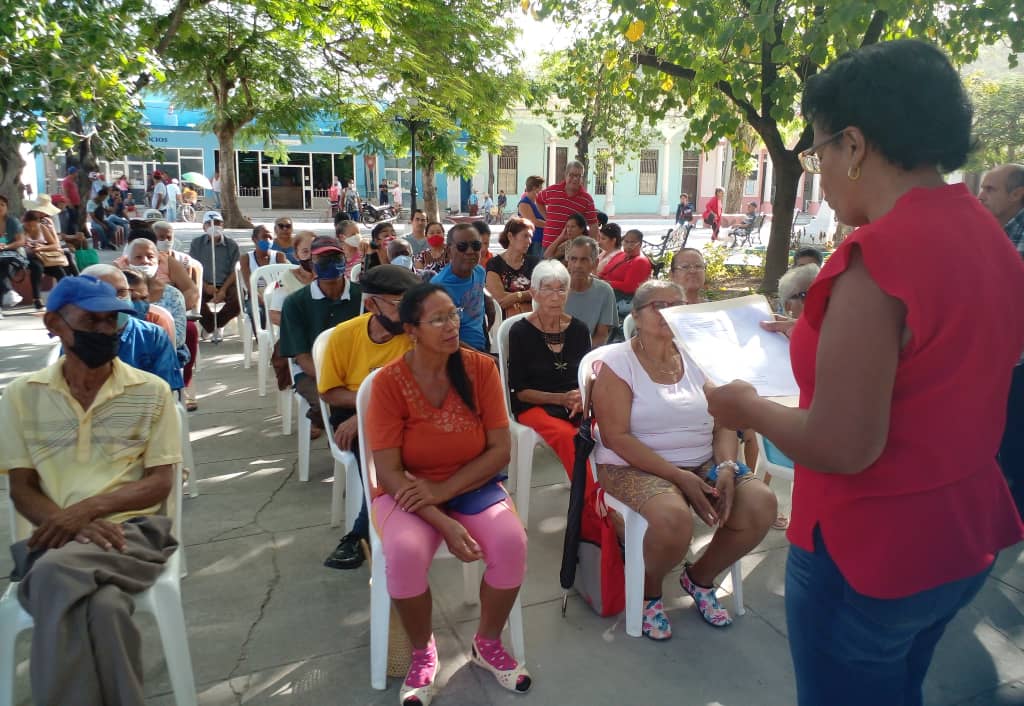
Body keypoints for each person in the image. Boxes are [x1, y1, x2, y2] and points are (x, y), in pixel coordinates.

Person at [703, 40, 1024, 706]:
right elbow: (956, 351)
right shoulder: (987, 229)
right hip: (963, 531)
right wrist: (831, 338)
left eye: (816, 152)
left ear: (853, 144)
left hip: (872, 549)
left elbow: (843, 446)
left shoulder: (877, 255)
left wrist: (745, 408)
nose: (818, 172)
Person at [0, 275, 180, 706]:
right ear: (55, 324)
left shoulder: (149, 391)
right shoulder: (23, 395)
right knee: (105, 609)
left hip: (133, 533)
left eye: (112, 323)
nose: (105, 332)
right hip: (53, 535)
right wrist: (68, 523)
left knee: (50, 575)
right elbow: (21, 487)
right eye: (91, 322)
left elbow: (160, 481)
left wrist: (88, 510)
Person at [367, 283, 531, 704]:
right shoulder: (389, 384)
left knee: (511, 541)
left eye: (454, 314)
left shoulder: (479, 369)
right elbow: (387, 469)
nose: (451, 325)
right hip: (406, 491)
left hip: (469, 484)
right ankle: (424, 652)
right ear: (412, 330)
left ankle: (487, 644)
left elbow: (499, 450)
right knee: (403, 553)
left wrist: (443, 491)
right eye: (437, 319)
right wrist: (442, 519)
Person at [592, 280, 776, 639]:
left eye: (675, 305)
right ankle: (648, 593)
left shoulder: (697, 356)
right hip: (630, 462)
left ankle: (700, 578)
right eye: (657, 305)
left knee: (761, 503)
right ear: (636, 315)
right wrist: (679, 477)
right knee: (673, 519)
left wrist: (725, 465)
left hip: (702, 458)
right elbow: (616, 437)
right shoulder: (616, 361)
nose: (667, 312)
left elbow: (724, 419)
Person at [319, 265, 423, 570]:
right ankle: (368, 531)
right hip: (351, 413)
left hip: (404, 414)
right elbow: (328, 392)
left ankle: (371, 528)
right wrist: (364, 409)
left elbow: (421, 393)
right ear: (370, 304)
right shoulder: (344, 336)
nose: (407, 313)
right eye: (397, 304)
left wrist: (373, 408)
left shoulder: (414, 338)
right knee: (375, 447)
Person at [509, 259, 591, 480]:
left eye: (561, 289)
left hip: (575, 404)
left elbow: (587, 377)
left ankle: (608, 497)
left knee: (606, 432)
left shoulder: (579, 329)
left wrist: (581, 397)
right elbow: (520, 391)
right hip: (534, 405)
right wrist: (561, 399)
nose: (556, 297)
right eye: (548, 289)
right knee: (569, 437)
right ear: (534, 293)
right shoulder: (519, 332)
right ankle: (591, 508)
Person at [278, 236, 363, 441]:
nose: (330, 263)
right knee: (335, 403)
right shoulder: (295, 303)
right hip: (312, 372)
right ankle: (345, 449)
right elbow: (302, 356)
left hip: (357, 368)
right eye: (322, 259)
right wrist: (335, 379)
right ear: (311, 265)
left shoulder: (361, 297)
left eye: (335, 257)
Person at [978, 162, 1024, 516]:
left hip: (1015, 362)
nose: (981, 195)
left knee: (1013, 442)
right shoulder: (994, 230)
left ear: (1017, 193)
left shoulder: (1018, 237)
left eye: (990, 189)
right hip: (994, 358)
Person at [81, 265, 184, 391]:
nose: (116, 301)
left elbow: (167, 391)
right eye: (106, 293)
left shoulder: (153, 336)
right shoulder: (75, 338)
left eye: (122, 292)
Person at [432, 223, 490, 353]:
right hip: (453, 353)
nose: (470, 251)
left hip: (482, 347)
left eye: (475, 246)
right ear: (448, 250)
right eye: (462, 247)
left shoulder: (480, 272)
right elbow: (440, 336)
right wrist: (481, 357)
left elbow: (480, 308)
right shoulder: (438, 287)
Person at [189, 211, 241, 342]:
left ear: (223, 225)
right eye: (209, 223)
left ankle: (218, 324)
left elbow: (235, 271)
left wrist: (223, 290)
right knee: (193, 299)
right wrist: (205, 286)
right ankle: (211, 326)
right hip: (204, 283)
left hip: (225, 284)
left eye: (217, 223)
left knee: (238, 300)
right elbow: (192, 267)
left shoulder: (232, 245)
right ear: (204, 227)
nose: (214, 226)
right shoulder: (196, 243)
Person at [565, 236, 617, 346]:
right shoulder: (556, 288)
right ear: (568, 262)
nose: (578, 265)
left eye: (584, 260)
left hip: (588, 352)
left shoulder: (605, 291)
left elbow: (602, 335)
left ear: (595, 262)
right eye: (573, 259)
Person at [537, 161, 600, 250]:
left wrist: (591, 248)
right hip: (548, 245)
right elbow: (539, 201)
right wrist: (547, 217)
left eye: (579, 176)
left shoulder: (587, 199)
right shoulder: (552, 191)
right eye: (572, 175)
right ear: (566, 175)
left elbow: (593, 225)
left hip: (571, 248)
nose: (575, 179)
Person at [486, 217, 537, 318]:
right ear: (510, 236)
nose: (529, 241)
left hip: (531, 318)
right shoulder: (495, 264)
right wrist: (527, 295)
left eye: (531, 237)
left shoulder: (534, 263)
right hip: (504, 320)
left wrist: (516, 296)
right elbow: (500, 299)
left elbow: (542, 293)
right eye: (525, 236)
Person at [21, 209, 70, 309]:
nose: (31, 228)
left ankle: (66, 297)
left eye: (33, 225)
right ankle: (37, 298)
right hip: (28, 256)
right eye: (28, 225)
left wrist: (41, 247)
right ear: (24, 223)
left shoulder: (42, 227)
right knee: (37, 268)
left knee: (59, 271)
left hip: (43, 256)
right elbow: (18, 244)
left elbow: (55, 245)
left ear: (38, 223)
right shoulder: (20, 229)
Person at [599, 228, 651, 317]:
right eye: (626, 242)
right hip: (607, 289)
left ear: (640, 244)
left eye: (632, 243)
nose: (628, 246)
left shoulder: (640, 261)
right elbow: (604, 272)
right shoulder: (621, 255)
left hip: (622, 297)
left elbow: (629, 287)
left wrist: (606, 283)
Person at [269, 230, 317, 326]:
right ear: (296, 255)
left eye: (314, 251)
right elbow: (274, 315)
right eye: (305, 251)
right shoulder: (286, 279)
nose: (311, 256)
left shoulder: (327, 276)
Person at [518, 176, 547, 258]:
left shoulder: (537, 203)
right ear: (535, 188)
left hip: (542, 240)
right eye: (541, 188)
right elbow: (534, 222)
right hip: (533, 242)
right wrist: (550, 225)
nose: (542, 190)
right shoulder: (524, 203)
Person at [59, 166, 81, 235]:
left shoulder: (73, 181)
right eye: (76, 172)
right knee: (71, 222)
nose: (77, 174)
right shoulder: (66, 181)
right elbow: (66, 194)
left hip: (76, 204)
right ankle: (70, 235)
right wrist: (70, 204)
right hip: (71, 205)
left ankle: (73, 234)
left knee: (74, 221)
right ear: (73, 173)